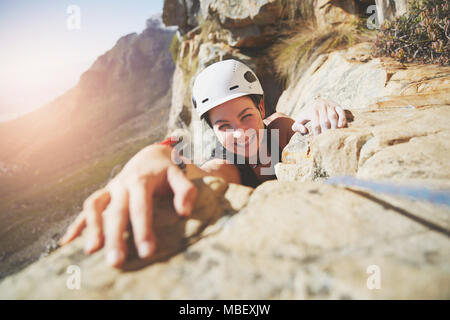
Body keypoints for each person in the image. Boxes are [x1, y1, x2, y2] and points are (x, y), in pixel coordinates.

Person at [59, 59, 347, 267]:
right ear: (214, 130)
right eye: (224, 126)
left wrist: (318, 105)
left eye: (246, 116)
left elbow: (295, 124)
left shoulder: (280, 128)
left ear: (261, 107)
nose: (240, 133)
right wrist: (154, 156)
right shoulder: (228, 164)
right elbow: (203, 171)